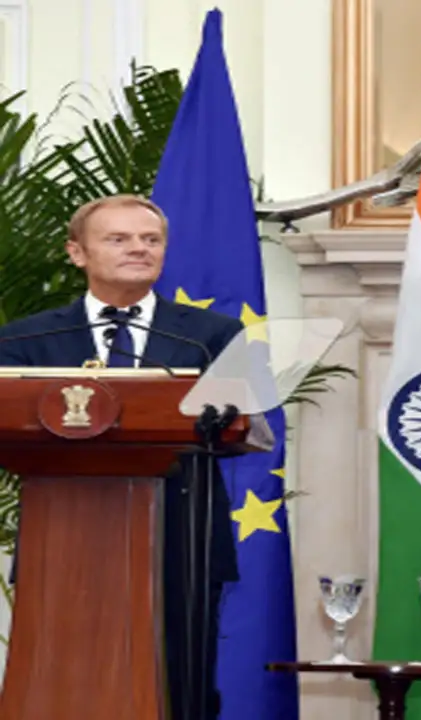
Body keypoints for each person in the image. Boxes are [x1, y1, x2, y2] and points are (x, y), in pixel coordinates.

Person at [0, 194, 244, 718]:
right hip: (60, 541)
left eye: (150, 240)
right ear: (77, 253)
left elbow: (243, 426)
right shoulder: (26, 339)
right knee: (58, 683)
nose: (139, 249)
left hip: (182, 540)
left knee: (180, 688)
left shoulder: (212, 336)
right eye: (119, 239)